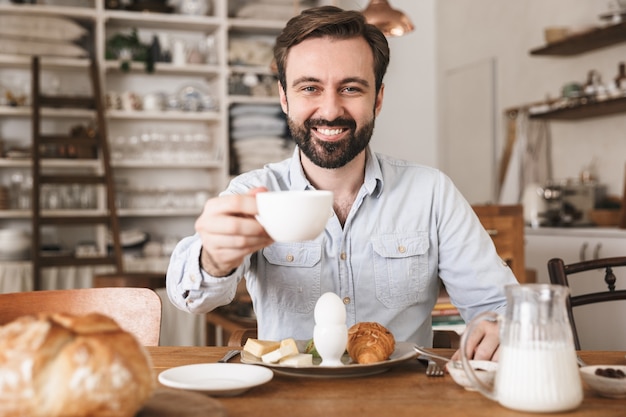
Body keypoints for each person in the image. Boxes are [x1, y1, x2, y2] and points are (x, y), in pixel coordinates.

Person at [166, 5, 518, 360]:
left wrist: (499, 325)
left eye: (350, 88)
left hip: (402, 400)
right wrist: (213, 259)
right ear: (284, 98)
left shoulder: (431, 193)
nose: (331, 110)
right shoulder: (255, 193)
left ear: (377, 99)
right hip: (290, 402)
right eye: (310, 88)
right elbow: (190, 298)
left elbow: (499, 305)